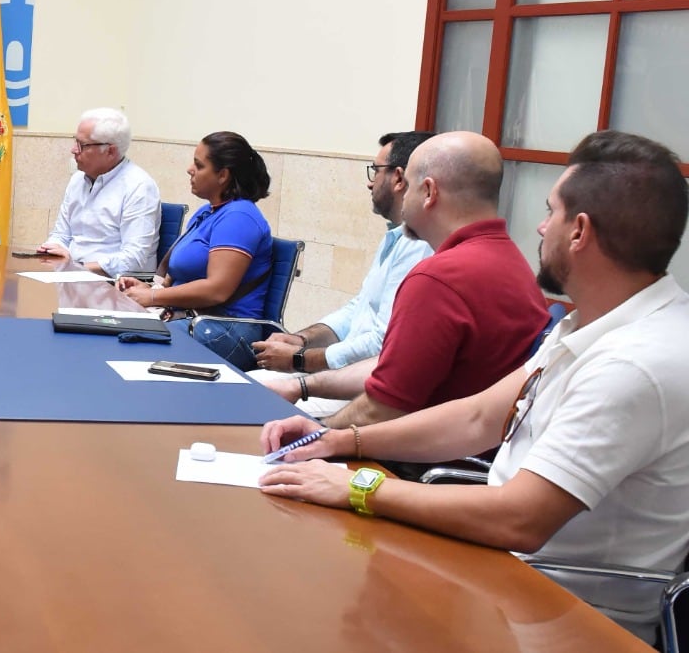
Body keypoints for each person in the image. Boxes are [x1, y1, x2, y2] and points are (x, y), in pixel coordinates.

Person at [260, 130, 689, 643]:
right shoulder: (593, 323)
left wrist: (358, 486)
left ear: (578, 232)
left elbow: (518, 519)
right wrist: (338, 440)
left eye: (550, 211)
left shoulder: (635, 363)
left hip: (564, 618)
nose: (538, 224)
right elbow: (477, 416)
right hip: (508, 582)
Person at [276, 132, 549, 430]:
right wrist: (302, 387)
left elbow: (382, 409)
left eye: (409, 187)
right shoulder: (510, 259)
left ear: (429, 192)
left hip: (424, 459)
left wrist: (317, 431)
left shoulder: (438, 278)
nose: (403, 197)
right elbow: (390, 367)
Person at [249, 131, 436, 416]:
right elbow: (357, 309)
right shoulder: (397, 237)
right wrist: (301, 340)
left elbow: (381, 343)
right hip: (340, 374)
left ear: (399, 178)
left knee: (248, 396)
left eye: (376, 171)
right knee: (243, 387)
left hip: (358, 390)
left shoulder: (420, 245)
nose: (369, 182)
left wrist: (300, 360)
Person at [116, 131, 273, 370]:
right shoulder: (207, 212)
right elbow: (181, 276)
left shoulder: (239, 216)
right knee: (109, 327)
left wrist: (153, 297)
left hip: (225, 327)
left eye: (199, 165)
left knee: (127, 345)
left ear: (223, 175)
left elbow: (216, 290)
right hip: (192, 317)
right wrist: (149, 288)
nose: (190, 169)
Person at [30, 107, 161, 276]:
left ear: (110, 151)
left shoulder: (139, 187)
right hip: (73, 277)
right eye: (75, 141)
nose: (74, 150)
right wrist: (52, 249)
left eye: (82, 145)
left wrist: (78, 267)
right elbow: (61, 235)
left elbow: (134, 258)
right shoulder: (77, 180)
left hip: (117, 286)